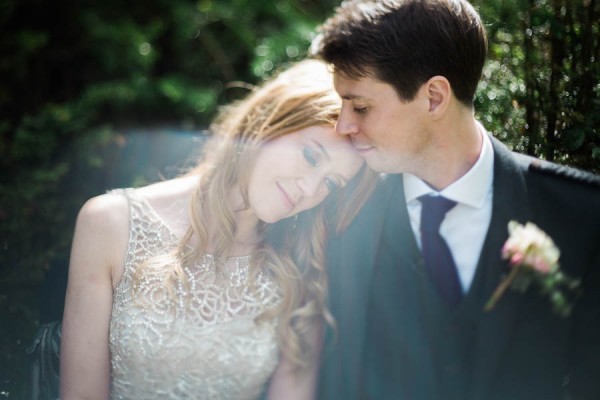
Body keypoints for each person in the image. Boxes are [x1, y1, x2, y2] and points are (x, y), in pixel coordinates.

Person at [310, 1, 600, 399]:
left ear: (433, 97)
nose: (345, 125)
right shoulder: (340, 214)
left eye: (361, 106)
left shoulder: (583, 215)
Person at [59, 59, 377, 400]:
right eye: (312, 158)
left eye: (330, 182)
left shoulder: (301, 267)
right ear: (268, 124)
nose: (310, 190)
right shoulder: (110, 223)